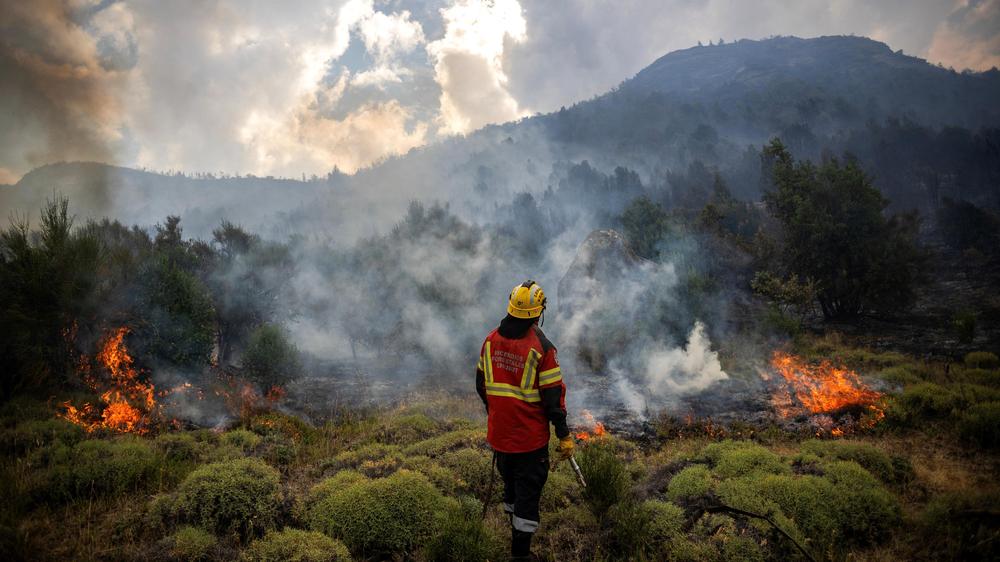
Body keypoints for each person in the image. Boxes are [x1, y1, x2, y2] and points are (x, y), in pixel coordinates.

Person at [476, 280, 574, 561]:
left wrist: (495, 413)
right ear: (537, 312)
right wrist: (564, 435)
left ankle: (514, 531)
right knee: (527, 495)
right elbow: (553, 400)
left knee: (511, 488)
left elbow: (481, 385)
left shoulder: (490, 340)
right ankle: (520, 555)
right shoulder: (542, 348)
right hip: (529, 442)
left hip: (500, 436)